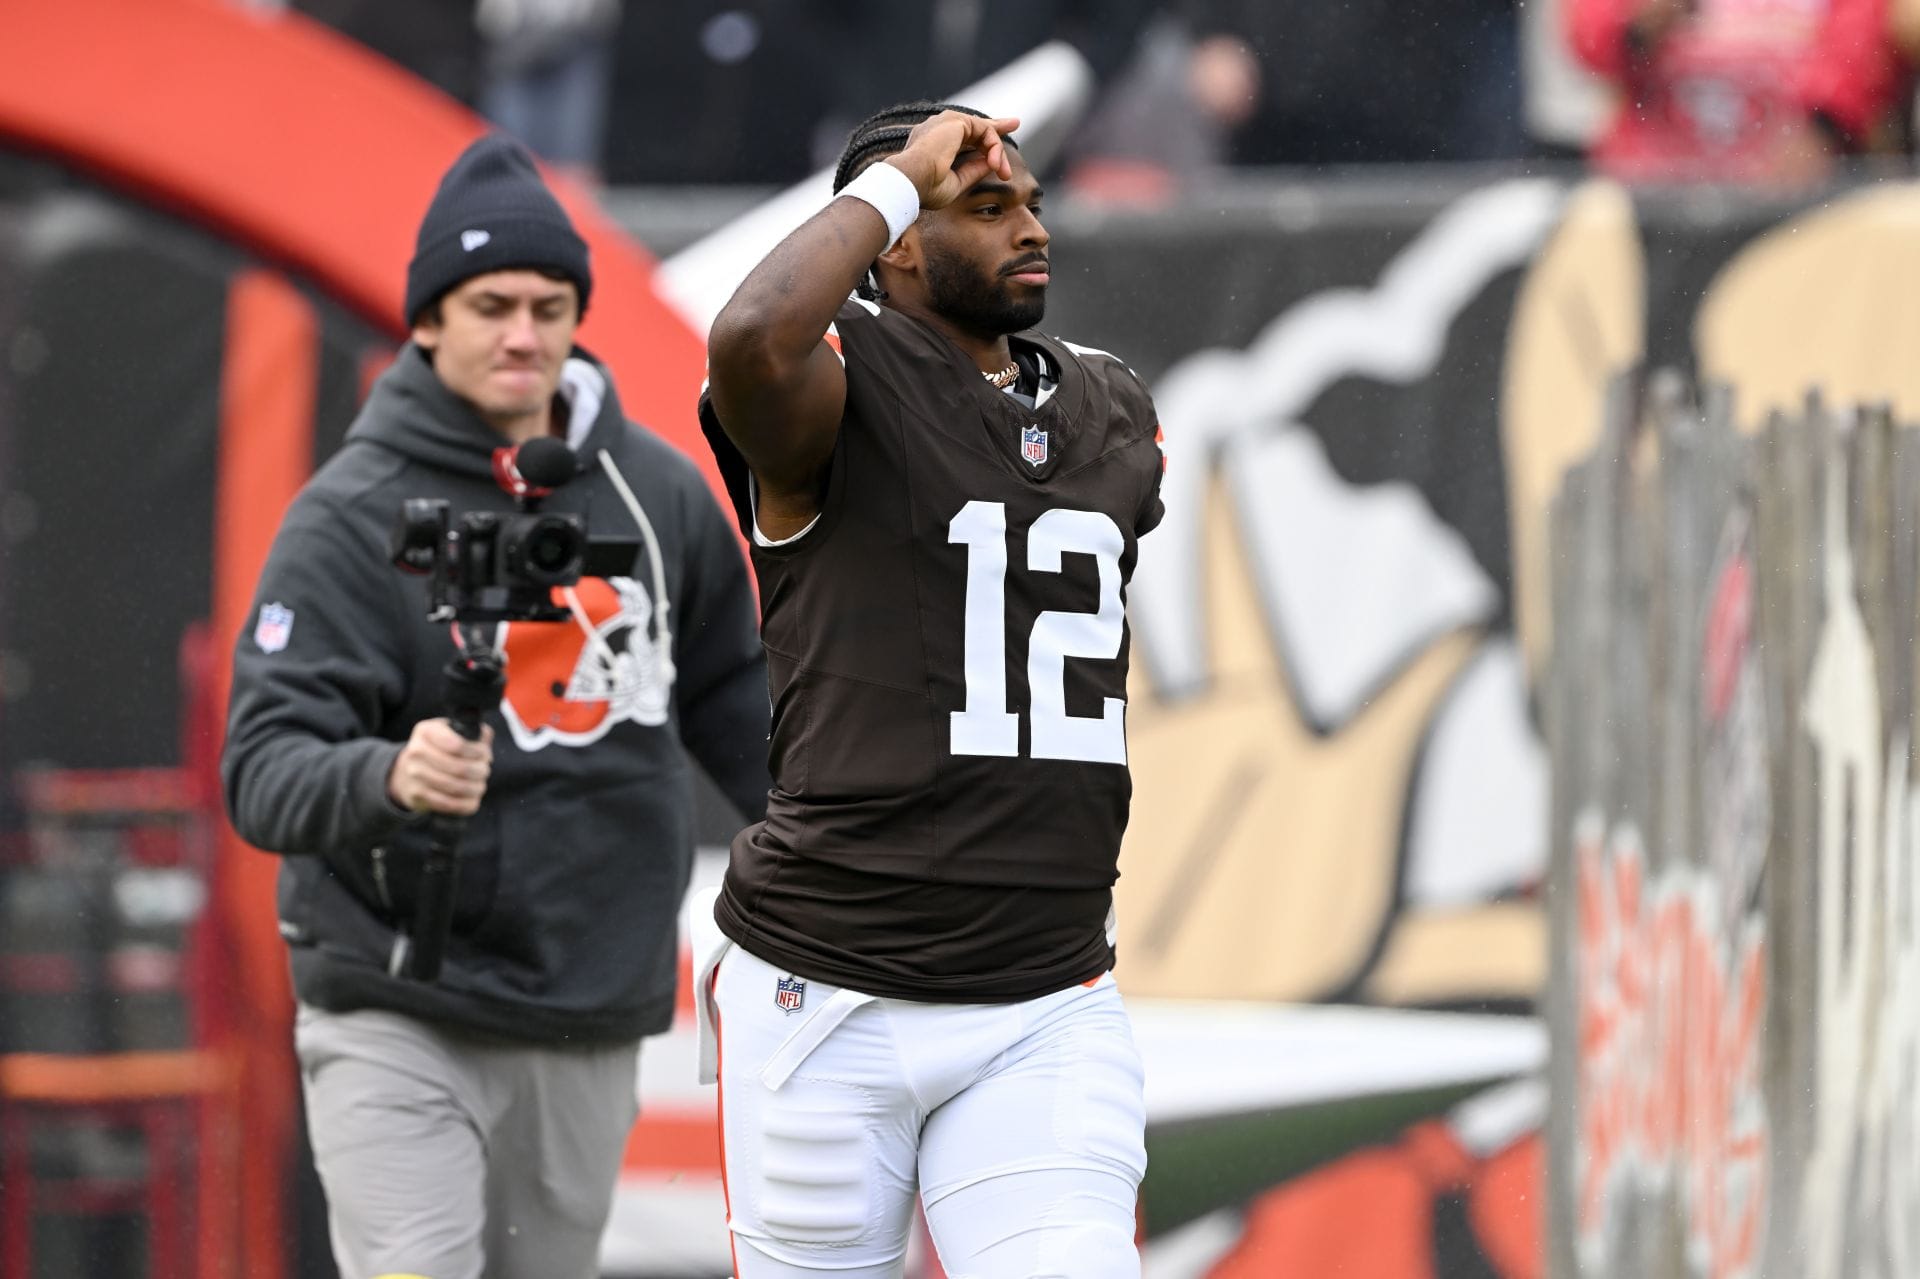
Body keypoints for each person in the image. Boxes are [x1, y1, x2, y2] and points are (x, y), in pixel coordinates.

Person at [221, 134, 770, 1279]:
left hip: (583, 1007)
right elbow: (261, 770)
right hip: (398, 1001)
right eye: (489, 304)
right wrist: (388, 776)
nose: (522, 332)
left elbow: (740, 697)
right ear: (426, 318)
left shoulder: (657, 489)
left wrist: (854, 842)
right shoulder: (351, 516)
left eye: (549, 303)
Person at [697, 102, 1164, 1275]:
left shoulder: (1110, 409)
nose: (1030, 229)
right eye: (987, 205)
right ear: (895, 239)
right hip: (831, 987)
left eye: (1034, 204)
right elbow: (753, 334)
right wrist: (901, 174)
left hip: (1041, 991)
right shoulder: (838, 388)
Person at [1566, 0, 1904, 183]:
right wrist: (1635, 25)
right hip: (1656, 179)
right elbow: (1590, 39)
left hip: (1790, 176)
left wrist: (1824, 126)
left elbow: (1864, 48)